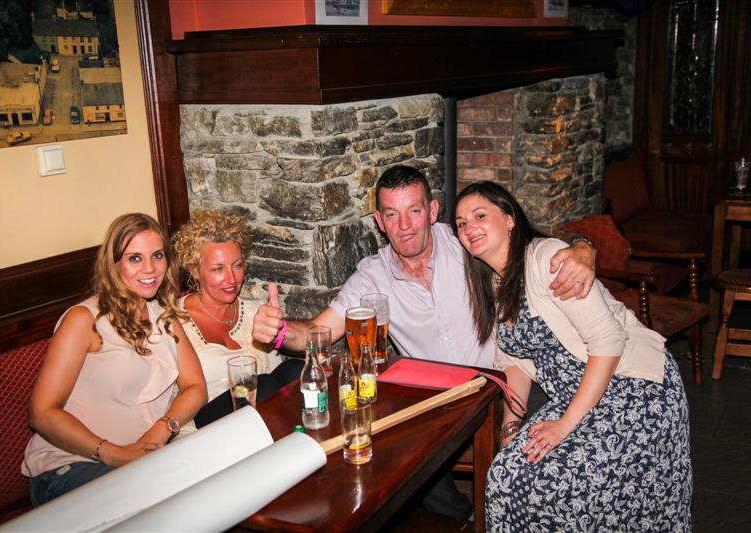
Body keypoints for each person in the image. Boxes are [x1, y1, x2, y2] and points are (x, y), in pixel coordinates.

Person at [252, 165, 597, 519]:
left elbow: (530, 242)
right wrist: (280, 331)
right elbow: (317, 331)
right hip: (440, 400)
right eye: (392, 214)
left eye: (414, 211)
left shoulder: (465, 242)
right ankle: (467, 518)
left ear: (432, 211)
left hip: (507, 379)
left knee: (565, 452)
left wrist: (582, 248)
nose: (404, 226)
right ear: (380, 221)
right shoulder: (372, 277)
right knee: (393, 446)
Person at [454, 181, 692, 531]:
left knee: (556, 484)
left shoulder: (547, 259)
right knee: (504, 474)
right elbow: (514, 363)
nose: (469, 227)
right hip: (577, 397)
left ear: (509, 219)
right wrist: (510, 429)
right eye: (461, 223)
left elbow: (608, 340)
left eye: (479, 216)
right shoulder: (494, 284)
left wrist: (565, 425)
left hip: (631, 389)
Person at [22, 213, 207, 506]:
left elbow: (196, 387)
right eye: (135, 258)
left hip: (143, 463)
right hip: (72, 466)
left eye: (157, 256)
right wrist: (115, 454)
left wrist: (160, 431)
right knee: (165, 503)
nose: (150, 268)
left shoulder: (164, 316)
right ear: (114, 263)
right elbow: (42, 413)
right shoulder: (85, 320)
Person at [172, 209, 302, 428]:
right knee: (261, 385)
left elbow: (279, 379)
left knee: (295, 370)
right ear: (194, 270)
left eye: (237, 265)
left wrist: (279, 332)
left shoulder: (255, 313)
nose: (231, 279)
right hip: (203, 426)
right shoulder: (174, 319)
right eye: (218, 269)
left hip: (262, 416)